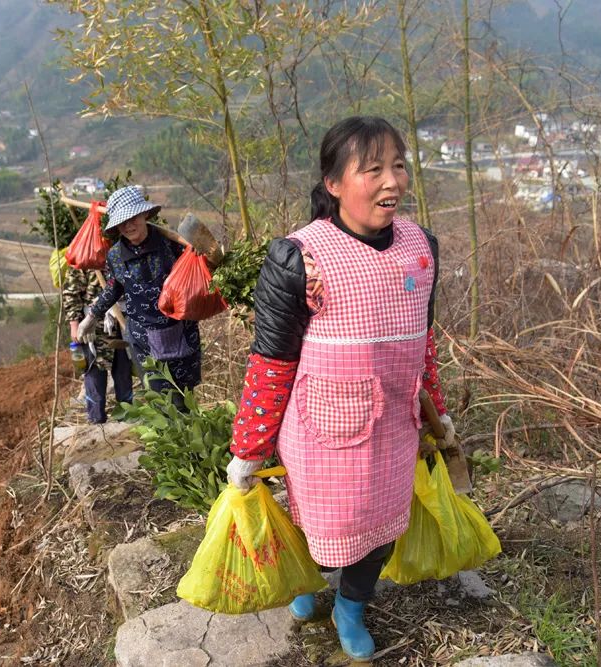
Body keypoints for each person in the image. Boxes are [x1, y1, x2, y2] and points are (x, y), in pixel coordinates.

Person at [223, 116, 454, 661]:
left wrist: (439, 414)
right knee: (319, 522)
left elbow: (424, 343)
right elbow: (272, 361)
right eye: (372, 169)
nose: (391, 182)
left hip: (396, 422)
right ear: (333, 183)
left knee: (380, 526)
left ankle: (352, 606)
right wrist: (249, 448)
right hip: (323, 426)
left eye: (398, 165)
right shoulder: (299, 257)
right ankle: (307, 580)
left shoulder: (422, 249)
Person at [77, 186, 202, 404]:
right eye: (122, 222)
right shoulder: (116, 254)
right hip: (144, 339)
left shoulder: (172, 244)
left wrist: (204, 255)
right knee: (162, 402)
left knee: (184, 400)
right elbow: (115, 287)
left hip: (181, 333)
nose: (129, 226)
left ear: (144, 214)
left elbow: (196, 275)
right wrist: (92, 316)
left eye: (133, 218)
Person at [62, 266, 134, 423]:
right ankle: (96, 418)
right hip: (92, 327)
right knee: (94, 372)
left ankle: (127, 414)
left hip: (121, 322)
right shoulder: (84, 258)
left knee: (123, 370)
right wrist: (74, 323)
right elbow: (71, 293)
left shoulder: (118, 252)